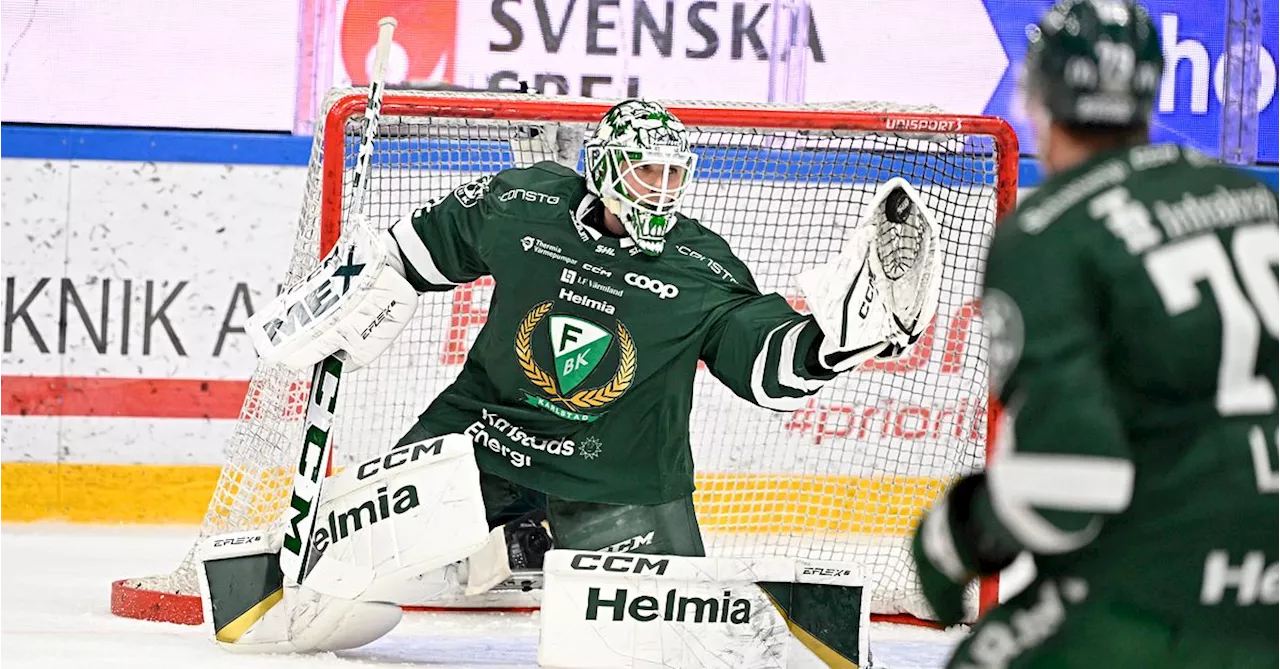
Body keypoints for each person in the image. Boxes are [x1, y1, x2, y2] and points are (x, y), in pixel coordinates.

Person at [910, 1, 1280, 666]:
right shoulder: (1256, 199)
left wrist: (957, 535)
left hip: (1166, 585)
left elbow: (1074, 477)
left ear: (1040, 99)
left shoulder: (1050, 233)